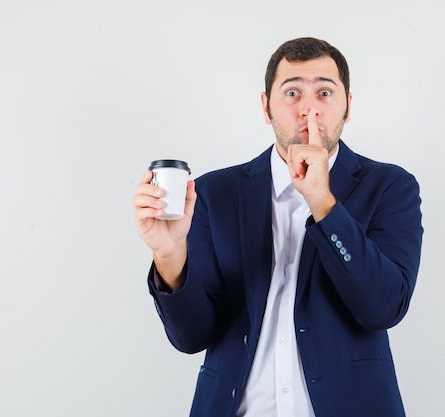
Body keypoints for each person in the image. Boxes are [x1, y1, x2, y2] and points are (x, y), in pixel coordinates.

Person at [133, 37, 423, 417]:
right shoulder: (214, 192)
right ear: (266, 107)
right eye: (291, 93)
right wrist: (169, 255)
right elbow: (192, 337)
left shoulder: (389, 186)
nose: (309, 110)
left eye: (324, 92)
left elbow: (384, 307)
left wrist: (323, 201)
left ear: (347, 107)